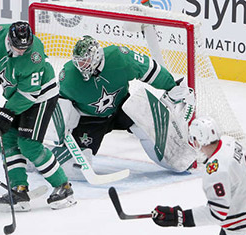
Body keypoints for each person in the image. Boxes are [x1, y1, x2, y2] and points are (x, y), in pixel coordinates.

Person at [50, 35, 196, 178]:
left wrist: (171, 86)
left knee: (143, 114)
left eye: (85, 61)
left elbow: (149, 69)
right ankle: (42, 156)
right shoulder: (68, 75)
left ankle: (175, 156)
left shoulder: (118, 57)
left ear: (97, 55)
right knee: (75, 169)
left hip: (121, 108)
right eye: (79, 62)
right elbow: (60, 104)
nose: (82, 66)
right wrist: (62, 126)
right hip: (90, 119)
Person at [0, 21, 76, 211]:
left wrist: (6, 113)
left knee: (29, 145)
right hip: (17, 95)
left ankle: (64, 187)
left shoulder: (34, 56)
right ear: (9, 39)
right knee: (4, 139)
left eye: (25, 47)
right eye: (18, 47)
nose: (22, 51)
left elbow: (29, 94)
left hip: (40, 97)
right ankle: (19, 190)